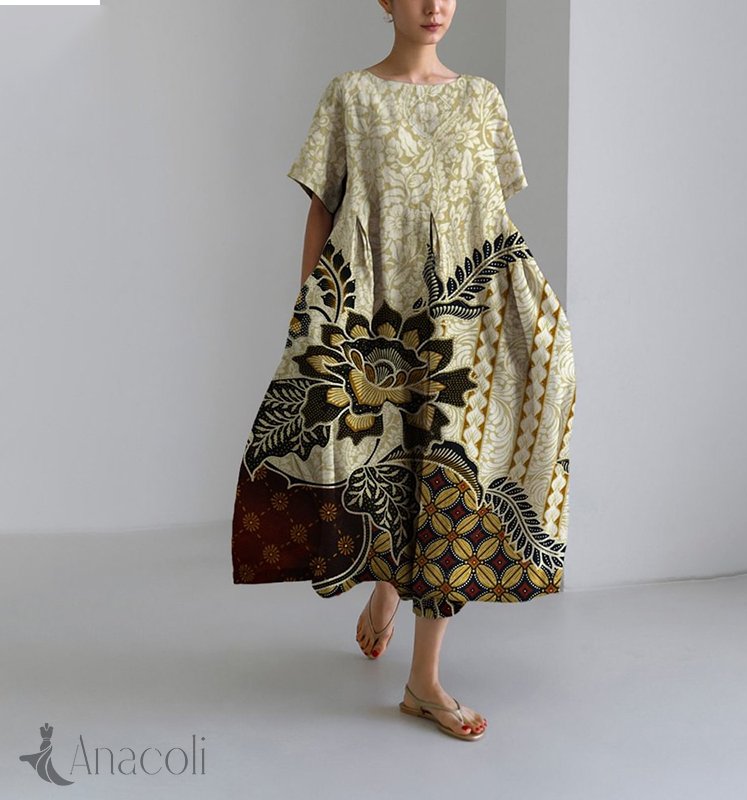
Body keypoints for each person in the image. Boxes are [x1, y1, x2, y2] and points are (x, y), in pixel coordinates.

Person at [231, 0, 576, 742]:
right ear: (385, 1)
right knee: (385, 459)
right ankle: (389, 583)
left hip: (460, 321)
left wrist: (528, 314)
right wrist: (312, 307)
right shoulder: (350, 95)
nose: (434, 5)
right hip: (371, 316)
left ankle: (424, 679)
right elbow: (323, 208)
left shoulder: (482, 99)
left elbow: (490, 217)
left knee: (452, 475)